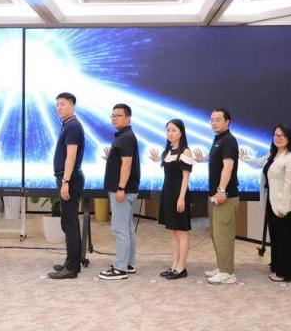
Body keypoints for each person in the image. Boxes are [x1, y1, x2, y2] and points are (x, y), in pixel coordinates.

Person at [240, 124, 291, 282]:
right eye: (276, 135)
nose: (278, 138)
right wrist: (244, 158)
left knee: (284, 239)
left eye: (282, 135)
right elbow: (258, 163)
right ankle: (277, 267)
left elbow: (289, 185)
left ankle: (285, 273)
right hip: (271, 203)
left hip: (284, 206)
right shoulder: (272, 154)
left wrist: (283, 206)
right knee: (276, 237)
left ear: (289, 138)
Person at [194, 108, 239, 285]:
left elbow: (228, 166)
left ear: (227, 122)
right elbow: (217, 160)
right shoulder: (218, 139)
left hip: (225, 196)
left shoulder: (229, 140)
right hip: (215, 195)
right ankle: (222, 266)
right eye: (212, 119)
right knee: (215, 234)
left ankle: (227, 273)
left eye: (218, 119)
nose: (214, 123)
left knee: (223, 235)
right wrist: (203, 159)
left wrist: (221, 190)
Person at [98, 103, 140, 281]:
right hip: (124, 189)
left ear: (128, 118)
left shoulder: (126, 137)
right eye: (113, 116)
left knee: (120, 229)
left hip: (122, 190)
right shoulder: (123, 136)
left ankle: (120, 268)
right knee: (127, 228)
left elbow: (127, 164)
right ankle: (128, 264)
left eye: (119, 115)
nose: (114, 118)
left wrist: (121, 188)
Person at [149, 119, 194, 280]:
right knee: (173, 232)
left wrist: (181, 198)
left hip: (179, 195)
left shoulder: (186, 152)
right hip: (167, 194)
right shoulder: (167, 151)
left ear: (181, 132)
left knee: (181, 232)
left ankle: (181, 267)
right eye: (168, 130)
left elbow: (185, 178)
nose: (170, 133)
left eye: (174, 130)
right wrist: (157, 159)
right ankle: (174, 265)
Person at [48, 92, 85, 280]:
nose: (59, 108)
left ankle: (71, 268)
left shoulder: (72, 126)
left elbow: (71, 156)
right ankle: (73, 262)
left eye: (63, 104)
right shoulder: (69, 125)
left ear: (72, 105)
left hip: (69, 179)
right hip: (68, 177)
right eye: (57, 105)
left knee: (69, 223)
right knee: (70, 222)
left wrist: (66, 182)